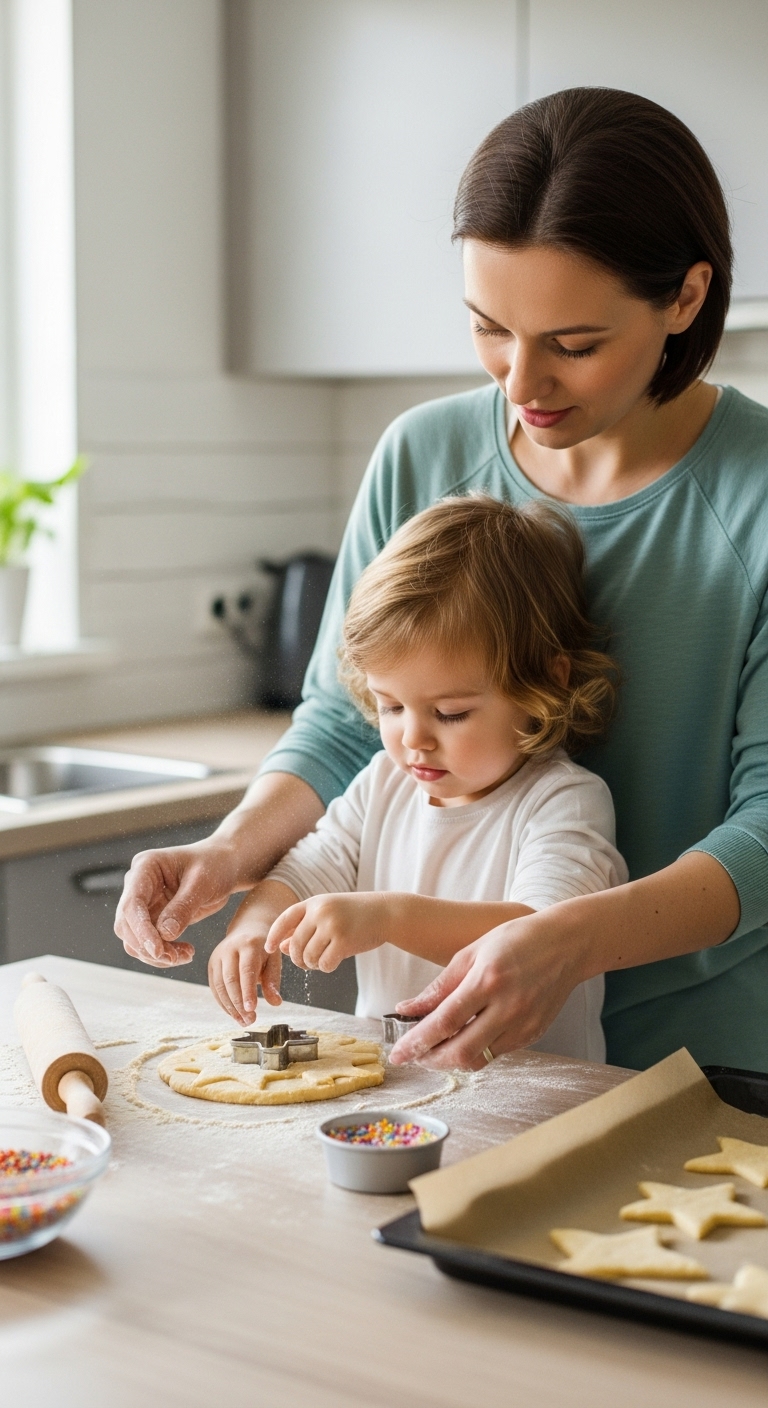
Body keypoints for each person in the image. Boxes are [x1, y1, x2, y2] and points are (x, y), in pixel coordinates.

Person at [115, 87, 768, 1076]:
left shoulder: (756, 493)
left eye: (574, 345)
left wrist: (568, 940)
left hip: (708, 1055)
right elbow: (343, 721)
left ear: (685, 297)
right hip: (443, 1068)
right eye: (490, 328)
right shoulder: (422, 453)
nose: (521, 384)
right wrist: (233, 852)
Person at [205, 496, 627, 1062]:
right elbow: (305, 869)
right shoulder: (383, 782)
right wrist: (253, 926)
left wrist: (386, 917)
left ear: (542, 687)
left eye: (451, 713)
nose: (414, 739)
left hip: (539, 1102)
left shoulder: (563, 802)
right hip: (403, 1085)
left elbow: (537, 934)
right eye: (390, 706)